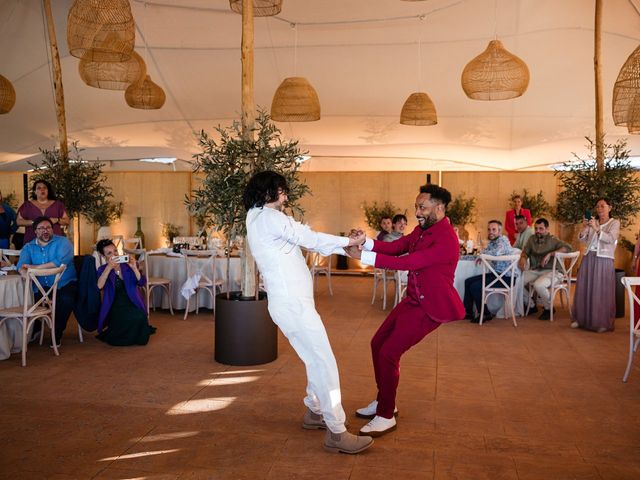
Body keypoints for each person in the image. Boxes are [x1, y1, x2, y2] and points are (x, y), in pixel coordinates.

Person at [243, 170, 373, 455]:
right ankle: (337, 432)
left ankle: (315, 411)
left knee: (314, 358)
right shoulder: (269, 217)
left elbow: (304, 237)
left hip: (290, 303)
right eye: (282, 191)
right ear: (269, 192)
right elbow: (309, 238)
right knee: (323, 360)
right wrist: (347, 243)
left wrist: (343, 243)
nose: (286, 196)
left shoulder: (256, 217)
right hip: (293, 305)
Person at [346, 184, 465, 437]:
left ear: (440, 208)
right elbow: (397, 247)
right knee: (377, 344)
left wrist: (362, 257)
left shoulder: (446, 238)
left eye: (422, 207)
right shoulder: (422, 230)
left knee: (389, 353)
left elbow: (409, 262)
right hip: (412, 300)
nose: (417, 212)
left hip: (429, 307)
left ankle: (386, 414)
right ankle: (384, 400)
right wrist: (366, 243)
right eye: (416, 207)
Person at [17, 216, 77, 346]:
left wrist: (35, 267)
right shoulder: (29, 247)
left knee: (66, 300)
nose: (45, 230)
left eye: (48, 227)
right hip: (41, 285)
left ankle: (57, 332)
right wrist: (23, 273)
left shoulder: (63, 242)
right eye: (41, 228)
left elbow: (60, 262)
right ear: (35, 231)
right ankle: (36, 328)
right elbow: (21, 265)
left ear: (52, 229)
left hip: (64, 283)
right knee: (29, 299)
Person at [95, 239, 156, 346]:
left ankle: (136, 336)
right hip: (114, 305)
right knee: (123, 319)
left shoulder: (127, 265)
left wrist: (134, 268)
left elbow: (141, 283)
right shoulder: (102, 269)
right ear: (104, 256)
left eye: (115, 251)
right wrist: (109, 268)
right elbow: (99, 286)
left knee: (140, 316)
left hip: (132, 302)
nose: (114, 255)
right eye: (109, 253)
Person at [571, 198, 619, 332]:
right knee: (585, 288)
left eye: (602, 206)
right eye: (597, 206)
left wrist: (597, 229)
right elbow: (582, 239)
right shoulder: (594, 222)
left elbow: (610, 239)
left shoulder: (614, 223)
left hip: (604, 259)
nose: (599, 209)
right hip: (589, 257)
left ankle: (601, 322)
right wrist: (585, 227)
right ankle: (581, 319)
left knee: (601, 290)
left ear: (610, 207)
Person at [518, 218, 572, 320]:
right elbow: (525, 251)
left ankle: (548, 308)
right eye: (536, 228)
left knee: (539, 285)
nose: (538, 231)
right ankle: (531, 305)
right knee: (516, 281)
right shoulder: (532, 239)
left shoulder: (553, 239)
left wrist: (550, 254)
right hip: (536, 270)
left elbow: (568, 247)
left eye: (541, 229)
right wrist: (523, 258)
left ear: (547, 229)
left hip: (554, 271)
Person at [463, 220, 513, 323]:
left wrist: (482, 255)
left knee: (475, 286)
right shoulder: (493, 241)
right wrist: (481, 255)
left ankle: (486, 313)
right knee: (468, 281)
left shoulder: (503, 240)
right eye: (489, 229)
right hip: (496, 275)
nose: (491, 232)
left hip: (505, 277)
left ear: (500, 231)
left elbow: (496, 252)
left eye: (494, 229)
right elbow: (484, 251)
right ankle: (467, 312)